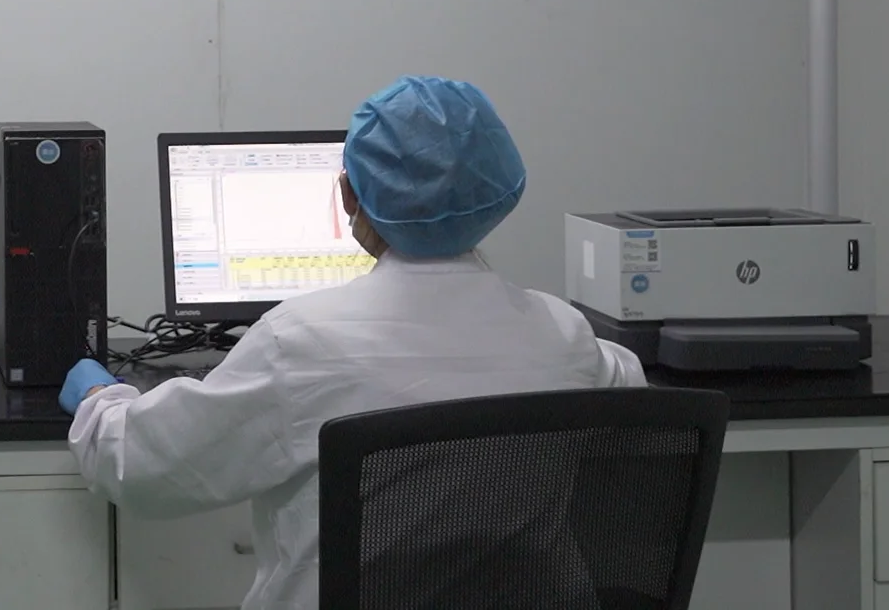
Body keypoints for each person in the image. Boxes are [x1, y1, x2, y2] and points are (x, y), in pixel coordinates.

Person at [60, 75, 646, 610]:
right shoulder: (563, 334)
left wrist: (100, 400)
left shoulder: (300, 342)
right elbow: (630, 385)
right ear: (494, 193)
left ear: (349, 199)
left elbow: (146, 467)